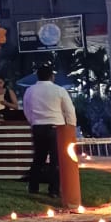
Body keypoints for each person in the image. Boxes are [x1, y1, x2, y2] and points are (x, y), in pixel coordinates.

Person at [22, 63, 77, 200]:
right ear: (52, 76)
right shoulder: (59, 90)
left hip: (38, 126)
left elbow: (26, 109)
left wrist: (33, 122)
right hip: (56, 127)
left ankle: (33, 187)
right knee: (55, 160)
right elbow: (69, 110)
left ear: (37, 76)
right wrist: (71, 126)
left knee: (38, 158)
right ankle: (53, 190)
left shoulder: (30, 90)